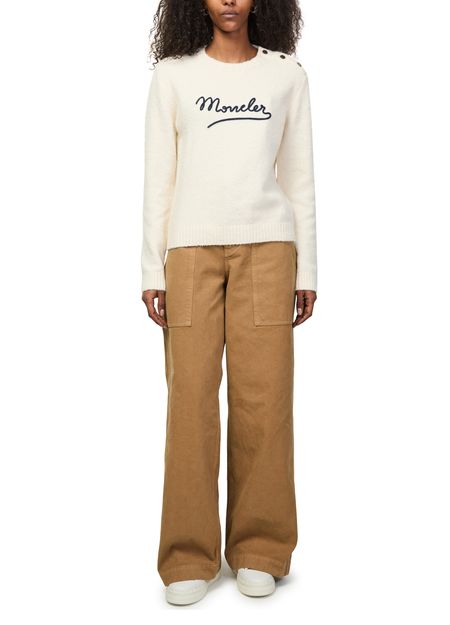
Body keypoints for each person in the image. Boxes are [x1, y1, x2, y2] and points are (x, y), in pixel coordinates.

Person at [141, 0, 318, 606]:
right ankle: (187, 555)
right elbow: (159, 176)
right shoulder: (173, 75)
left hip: (270, 251)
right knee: (189, 402)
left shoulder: (286, 75)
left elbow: (299, 177)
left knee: (265, 402)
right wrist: (152, 268)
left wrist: (308, 269)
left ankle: (260, 549)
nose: (230, 0)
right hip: (189, 253)